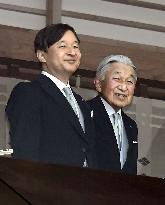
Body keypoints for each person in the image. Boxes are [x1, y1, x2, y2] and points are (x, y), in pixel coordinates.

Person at [6, 23, 96, 168]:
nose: (72, 52)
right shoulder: (29, 93)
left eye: (75, 46)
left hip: (83, 187)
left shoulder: (82, 104)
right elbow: (25, 152)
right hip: (48, 186)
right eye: (62, 46)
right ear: (42, 55)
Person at [87, 55, 138, 174]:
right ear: (99, 84)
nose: (123, 87)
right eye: (117, 79)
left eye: (129, 81)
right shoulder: (84, 112)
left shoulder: (131, 125)